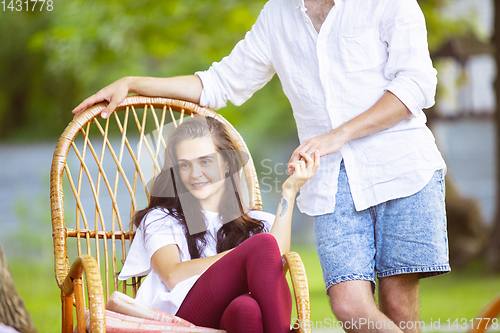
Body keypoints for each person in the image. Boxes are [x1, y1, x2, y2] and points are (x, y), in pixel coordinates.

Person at [73, 0, 450, 332]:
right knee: (350, 306)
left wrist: (338, 136)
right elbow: (218, 83)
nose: (197, 171)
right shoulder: (277, 15)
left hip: (403, 168)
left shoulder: (388, 3)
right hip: (331, 181)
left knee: (399, 306)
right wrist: (135, 83)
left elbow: (417, 85)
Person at [118, 116, 320, 333]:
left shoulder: (259, 222)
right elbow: (173, 276)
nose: (195, 174)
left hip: (231, 315)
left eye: (205, 161)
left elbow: (275, 259)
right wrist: (243, 257)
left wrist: (289, 191)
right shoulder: (162, 218)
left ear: (226, 163)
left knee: (246, 308)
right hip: (180, 319)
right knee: (261, 246)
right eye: (185, 165)